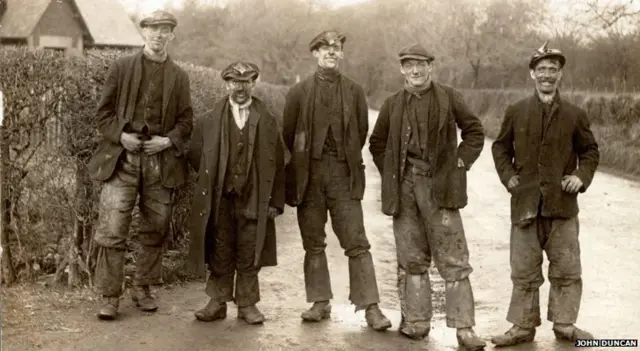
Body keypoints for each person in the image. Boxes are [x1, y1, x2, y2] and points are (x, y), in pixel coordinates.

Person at [369, 44, 486, 350]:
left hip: (441, 188)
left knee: (454, 259)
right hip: (405, 189)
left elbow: (474, 130)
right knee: (412, 258)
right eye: (409, 66)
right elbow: (377, 142)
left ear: (431, 67)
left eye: (421, 65)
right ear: (402, 70)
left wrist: (460, 162)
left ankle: (465, 328)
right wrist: (393, 173)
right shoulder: (393, 103)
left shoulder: (449, 96)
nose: (415, 71)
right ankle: (417, 323)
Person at [490, 41, 599, 346]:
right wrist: (509, 176)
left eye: (553, 69)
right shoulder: (516, 111)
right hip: (525, 204)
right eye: (542, 69)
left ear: (560, 74)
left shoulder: (575, 114)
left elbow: (590, 151)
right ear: (531, 74)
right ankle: (523, 327)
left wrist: (580, 175)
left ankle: (565, 325)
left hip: (562, 206)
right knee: (523, 269)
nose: (547, 75)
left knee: (566, 268)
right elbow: (500, 147)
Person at [282, 30, 391, 331]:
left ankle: (370, 306)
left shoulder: (355, 91)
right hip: (309, 176)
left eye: (336, 48)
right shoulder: (298, 93)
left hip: (343, 175)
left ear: (341, 54)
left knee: (357, 241)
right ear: (315, 53)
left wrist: (342, 160)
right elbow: (288, 135)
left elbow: (360, 131)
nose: (331, 52)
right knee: (313, 241)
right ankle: (320, 301)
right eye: (325, 48)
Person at [87, 10, 193, 320]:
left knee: (156, 226)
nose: (159, 35)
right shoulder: (121, 68)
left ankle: (143, 287)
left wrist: (169, 140)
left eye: (165, 30)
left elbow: (187, 120)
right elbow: (102, 114)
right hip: (122, 160)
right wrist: (121, 136)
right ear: (143, 32)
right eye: (153, 29)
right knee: (112, 227)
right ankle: (109, 295)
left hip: (160, 161)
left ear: (171, 35)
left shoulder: (180, 77)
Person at [186, 61, 285, 325]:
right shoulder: (208, 120)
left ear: (253, 84)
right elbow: (196, 155)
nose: (240, 87)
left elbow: (279, 160)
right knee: (221, 247)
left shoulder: (267, 120)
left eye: (246, 82)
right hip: (221, 198)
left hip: (254, 197)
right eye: (234, 82)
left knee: (250, 249)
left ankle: (247, 304)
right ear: (226, 84)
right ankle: (217, 302)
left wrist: (275, 200)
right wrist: (214, 180)